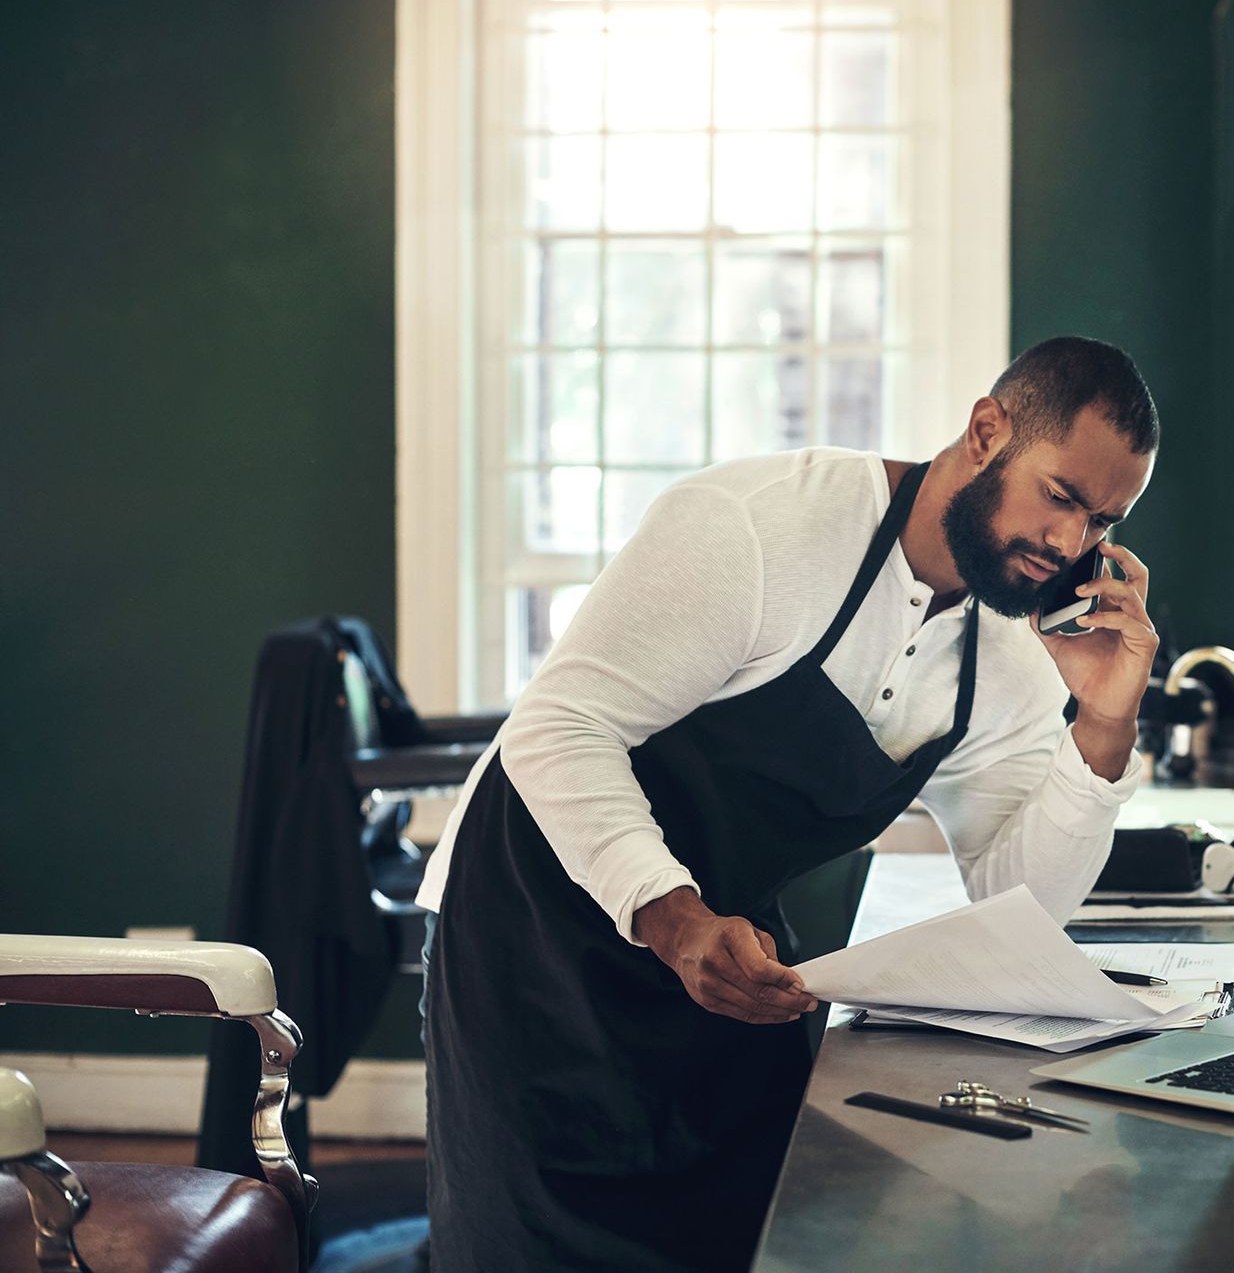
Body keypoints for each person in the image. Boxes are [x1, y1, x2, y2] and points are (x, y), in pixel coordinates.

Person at [416, 336, 1162, 1269]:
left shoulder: (1008, 656)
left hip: (729, 953)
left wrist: (1102, 721)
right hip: (535, 926)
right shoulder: (756, 529)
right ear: (985, 432)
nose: (1068, 545)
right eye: (1060, 496)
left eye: (1103, 522)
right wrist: (674, 917)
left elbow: (1025, 901)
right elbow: (556, 731)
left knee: (756, 1238)